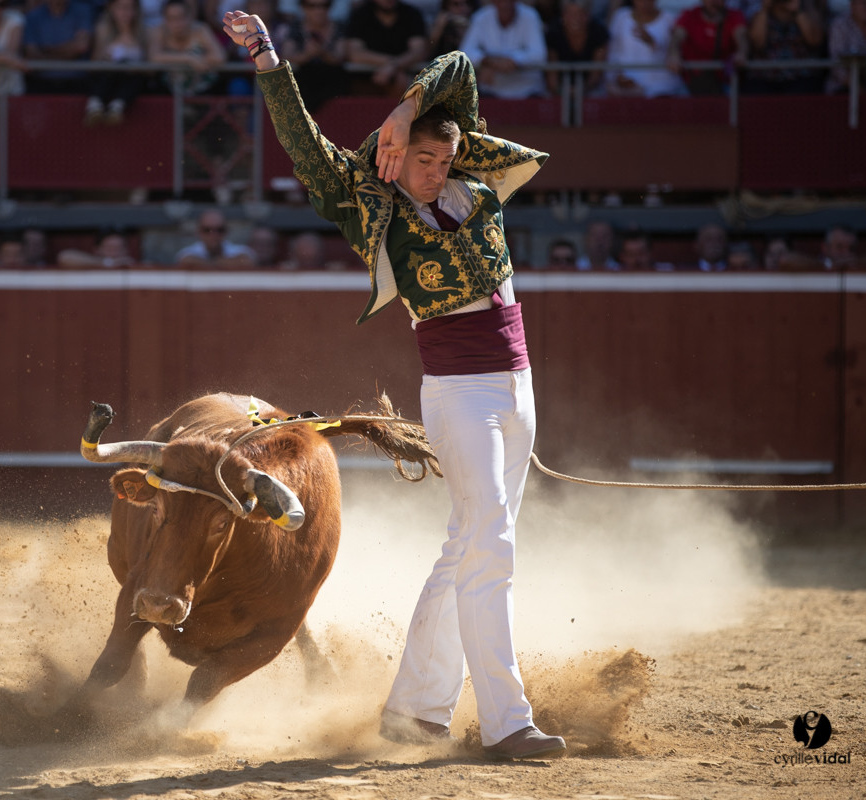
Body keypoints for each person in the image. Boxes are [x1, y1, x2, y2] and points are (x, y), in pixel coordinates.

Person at [225, 10, 565, 760]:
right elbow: (302, 143)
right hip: (460, 392)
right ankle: (509, 721)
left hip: (517, 385)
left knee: (468, 547)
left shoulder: (465, 166)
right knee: (493, 549)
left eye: (444, 159)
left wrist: (409, 107)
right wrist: (268, 58)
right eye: (424, 161)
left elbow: (460, 67)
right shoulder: (368, 203)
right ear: (394, 159)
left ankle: (414, 710)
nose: (437, 169)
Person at [458, 0, 547, 99]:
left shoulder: (530, 16)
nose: (504, 4)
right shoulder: (481, 17)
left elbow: (539, 54)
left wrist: (514, 60)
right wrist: (487, 61)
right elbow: (465, 53)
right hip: (492, 92)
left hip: (527, 92)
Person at [344, 0, 429, 96]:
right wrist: (392, 65)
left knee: (405, 84)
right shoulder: (360, 14)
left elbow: (419, 51)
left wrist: (393, 67)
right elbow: (355, 53)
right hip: (366, 80)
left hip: (405, 79)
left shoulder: (411, 14)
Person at [666, 0, 748, 96]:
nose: (714, 2)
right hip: (692, 84)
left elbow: (741, 37)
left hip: (723, 86)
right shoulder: (690, 15)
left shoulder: (734, 16)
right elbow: (676, 37)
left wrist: (742, 53)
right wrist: (673, 55)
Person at [604, 0, 685, 97]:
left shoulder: (669, 19)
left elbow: (673, 56)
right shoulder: (621, 17)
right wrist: (616, 77)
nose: (644, 3)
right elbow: (613, 53)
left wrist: (651, 42)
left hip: (661, 91)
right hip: (627, 91)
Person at [87, 0, 149, 125]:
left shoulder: (144, 32)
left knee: (133, 74)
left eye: (129, 8)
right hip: (109, 78)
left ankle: (117, 106)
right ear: (111, 9)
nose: (125, 13)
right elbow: (93, 64)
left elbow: (150, 68)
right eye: (121, 8)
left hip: (133, 81)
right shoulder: (103, 29)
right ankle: (94, 106)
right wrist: (106, 55)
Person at [745, 0, 824, 94]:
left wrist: (797, 11)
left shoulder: (807, 8)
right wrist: (764, 9)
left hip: (801, 77)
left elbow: (815, 41)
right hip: (765, 78)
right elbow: (757, 44)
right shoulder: (760, 13)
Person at [148, 0, 225, 96]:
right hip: (170, 91)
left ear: (190, 17)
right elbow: (154, 57)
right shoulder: (159, 31)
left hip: (204, 90)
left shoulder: (201, 30)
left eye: (181, 17)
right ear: (165, 19)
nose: (177, 24)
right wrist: (188, 58)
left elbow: (219, 56)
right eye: (172, 18)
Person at [281, 0, 348, 111]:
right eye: (311, 6)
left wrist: (322, 51)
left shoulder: (339, 27)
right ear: (303, 7)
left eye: (324, 5)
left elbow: (339, 56)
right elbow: (286, 56)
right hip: (302, 87)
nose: (319, 11)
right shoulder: (295, 27)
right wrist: (307, 55)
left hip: (332, 85)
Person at [22, 0, 93, 94]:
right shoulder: (33, 16)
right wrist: (68, 50)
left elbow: (81, 47)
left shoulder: (82, 10)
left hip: (76, 83)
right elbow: (32, 55)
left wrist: (45, 50)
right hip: (41, 83)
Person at [544, 0, 607, 96]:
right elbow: (552, 76)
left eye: (580, 13)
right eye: (570, 14)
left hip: (592, 89)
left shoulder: (599, 32)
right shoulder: (553, 33)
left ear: (587, 15)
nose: (575, 19)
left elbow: (596, 74)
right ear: (563, 16)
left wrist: (582, 90)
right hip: (558, 91)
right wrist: (561, 91)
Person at [175, 208, 257, 268]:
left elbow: (246, 261)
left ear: (227, 231)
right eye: (207, 230)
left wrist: (206, 264)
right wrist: (227, 263)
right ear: (198, 231)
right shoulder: (188, 252)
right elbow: (186, 261)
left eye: (219, 230)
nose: (214, 235)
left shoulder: (239, 250)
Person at [826, 0, 866, 94]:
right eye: (860, 3)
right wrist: (860, 90)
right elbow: (837, 66)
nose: (864, 7)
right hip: (845, 87)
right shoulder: (839, 25)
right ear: (852, 5)